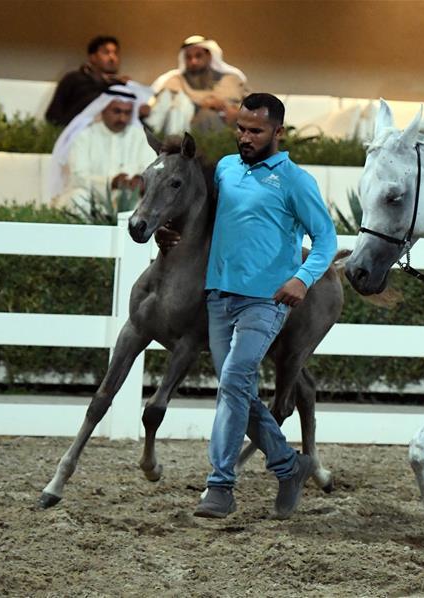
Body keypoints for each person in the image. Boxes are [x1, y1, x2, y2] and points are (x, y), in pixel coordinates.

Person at [167, 93, 339, 519]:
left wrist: (302, 278)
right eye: (241, 129)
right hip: (219, 296)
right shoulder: (225, 169)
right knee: (236, 388)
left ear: (278, 132)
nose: (245, 137)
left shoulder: (296, 181)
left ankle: (220, 486)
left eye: (255, 131)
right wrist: (165, 233)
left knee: (234, 381)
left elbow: (327, 239)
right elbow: (197, 217)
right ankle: (288, 464)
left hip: (267, 301)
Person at [49, 84, 156, 213]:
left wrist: (141, 180)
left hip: (129, 199)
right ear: (103, 109)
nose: (122, 118)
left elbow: (152, 168)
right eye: (117, 111)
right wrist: (111, 183)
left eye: (127, 113)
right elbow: (78, 177)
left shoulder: (140, 137)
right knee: (77, 199)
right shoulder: (84, 137)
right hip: (94, 199)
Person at [146, 35, 249, 135]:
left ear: (209, 56)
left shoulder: (230, 79)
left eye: (198, 56)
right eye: (189, 57)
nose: (193, 61)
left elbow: (249, 106)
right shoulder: (175, 81)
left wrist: (228, 108)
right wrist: (207, 103)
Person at [45, 36, 133, 127]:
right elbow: (53, 115)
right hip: (75, 134)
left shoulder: (120, 86)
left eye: (115, 53)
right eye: (106, 52)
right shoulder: (74, 79)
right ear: (93, 57)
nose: (112, 57)